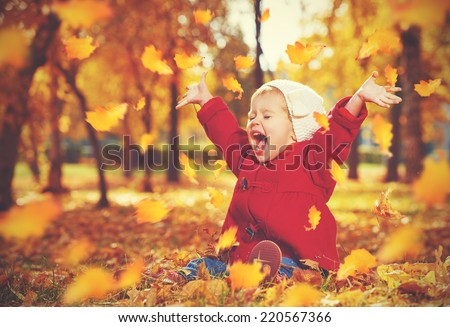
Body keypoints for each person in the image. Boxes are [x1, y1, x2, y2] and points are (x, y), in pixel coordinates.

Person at [151, 71, 401, 284]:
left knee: (284, 272)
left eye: (266, 116)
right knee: (204, 265)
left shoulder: (311, 160)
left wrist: (357, 99)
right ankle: (184, 275)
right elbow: (227, 135)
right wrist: (205, 100)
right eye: (252, 116)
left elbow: (336, 132)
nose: (255, 121)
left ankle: (265, 277)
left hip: (300, 263)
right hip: (242, 259)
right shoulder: (248, 159)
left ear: (295, 131)